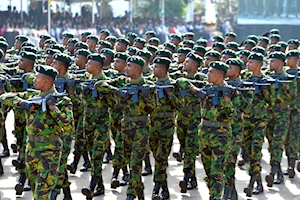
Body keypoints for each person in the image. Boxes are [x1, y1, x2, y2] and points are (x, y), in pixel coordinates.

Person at [0, 65, 74, 199]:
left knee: (42, 193)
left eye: (37, 78)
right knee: (35, 189)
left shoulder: (62, 101)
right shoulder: (31, 95)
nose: (34, 79)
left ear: (46, 81)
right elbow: (5, 97)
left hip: (49, 150)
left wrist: (53, 109)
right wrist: (23, 103)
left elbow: (68, 126)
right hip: (31, 149)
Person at [197, 61, 236, 199]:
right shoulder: (206, 88)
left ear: (220, 75)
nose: (208, 74)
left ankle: (215, 197)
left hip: (221, 135)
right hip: (205, 132)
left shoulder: (230, 91)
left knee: (216, 172)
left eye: (211, 72)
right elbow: (182, 82)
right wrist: (197, 92)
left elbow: (232, 116)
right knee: (208, 171)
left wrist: (226, 99)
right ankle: (213, 194)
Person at [243, 52, 275, 197]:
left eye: (251, 62)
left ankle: (251, 183)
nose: (248, 64)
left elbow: (272, 102)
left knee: (256, 150)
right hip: (247, 120)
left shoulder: (266, 81)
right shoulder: (245, 78)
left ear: (258, 65)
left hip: (260, 120)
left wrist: (265, 90)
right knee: (250, 152)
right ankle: (259, 183)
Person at [150, 57, 181, 199]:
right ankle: (165, 188)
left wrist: (170, 94)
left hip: (166, 126)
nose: (153, 69)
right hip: (153, 125)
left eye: (155, 67)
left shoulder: (174, 85)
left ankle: (156, 189)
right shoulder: (150, 83)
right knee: (157, 157)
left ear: (163, 69)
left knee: (162, 157)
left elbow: (180, 106)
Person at [265, 52, 297, 187]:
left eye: (272, 62)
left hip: (282, 114)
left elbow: (293, 97)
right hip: (269, 114)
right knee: (272, 144)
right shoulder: (267, 77)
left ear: (279, 63)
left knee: (278, 143)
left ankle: (272, 172)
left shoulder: (288, 78)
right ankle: (278, 172)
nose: (270, 64)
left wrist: (285, 87)